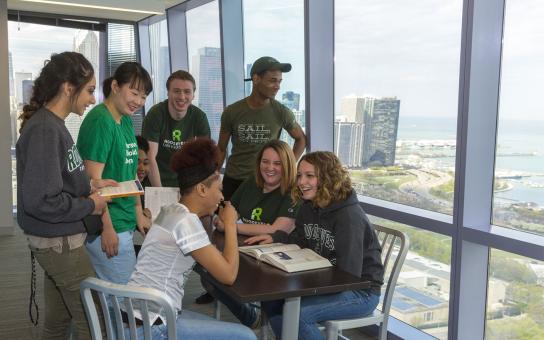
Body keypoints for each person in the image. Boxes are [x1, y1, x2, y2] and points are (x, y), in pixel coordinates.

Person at [16, 51, 113, 339]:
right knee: (96, 323)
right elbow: (41, 201)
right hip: (59, 244)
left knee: (59, 322)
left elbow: (56, 181)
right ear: (68, 88)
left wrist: (88, 186)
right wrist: (90, 205)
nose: (93, 99)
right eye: (90, 90)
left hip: (60, 241)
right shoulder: (46, 129)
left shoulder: (54, 125)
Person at [125, 138, 256, 340]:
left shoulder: (170, 211)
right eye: (219, 189)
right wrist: (230, 224)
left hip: (134, 318)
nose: (222, 197)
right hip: (154, 327)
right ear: (202, 189)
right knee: (246, 336)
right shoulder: (186, 222)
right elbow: (229, 275)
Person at [245, 151, 385, 340]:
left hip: (360, 292)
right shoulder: (309, 206)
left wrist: (305, 282)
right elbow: (302, 241)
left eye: (310, 176)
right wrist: (277, 237)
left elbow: (348, 276)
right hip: (327, 282)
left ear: (328, 178)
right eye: (300, 176)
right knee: (272, 303)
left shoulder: (349, 218)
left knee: (300, 315)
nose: (302, 182)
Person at [77, 62, 153, 285]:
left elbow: (130, 176)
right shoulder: (101, 121)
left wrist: (138, 211)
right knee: (125, 302)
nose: (139, 101)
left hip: (125, 219)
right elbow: (93, 184)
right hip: (110, 224)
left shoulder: (126, 120)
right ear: (115, 86)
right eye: (135, 92)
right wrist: (106, 227)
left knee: (119, 296)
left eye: (144, 96)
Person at [210, 140, 299, 327]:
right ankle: (252, 319)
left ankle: (273, 325)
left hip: (277, 265)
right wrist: (228, 222)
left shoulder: (293, 192)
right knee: (211, 278)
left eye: (277, 163)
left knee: (226, 279)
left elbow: (277, 229)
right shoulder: (251, 183)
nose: (270, 168)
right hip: (247, 253)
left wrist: (231, 226)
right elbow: (227, 213)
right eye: (265, 162)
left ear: (288, 165)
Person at [217, 56, 306, 201]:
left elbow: (301, 139)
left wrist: (287, 167)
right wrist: (214, 178)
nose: (277, 86)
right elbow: (221, 149)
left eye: (279, 81)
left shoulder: (281, 111)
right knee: (224, 221)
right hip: (234, 180)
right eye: (272, 80)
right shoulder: (232, 111)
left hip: (265, 182)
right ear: (256, 79)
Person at [142, 70, 211, 187]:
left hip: (185, 183)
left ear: (193, 95)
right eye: (177, 91)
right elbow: (150, 157)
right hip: (156, 181)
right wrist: (160, 192)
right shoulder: (156, 114)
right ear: (168, 93)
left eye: (187, 92)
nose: (182, 96)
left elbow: (204, 158)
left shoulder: (199, 117)